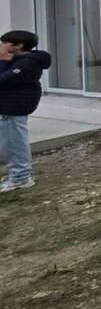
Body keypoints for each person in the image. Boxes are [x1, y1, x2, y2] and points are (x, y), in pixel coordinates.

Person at [0, 30, 52, 192]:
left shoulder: (28, 63)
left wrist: (2, 61)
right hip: (8, 107)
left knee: (14, 143)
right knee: (8, 143)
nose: (1, 45)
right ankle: (17, 175)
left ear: (19, 45)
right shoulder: (16, 60)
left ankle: (21, 177)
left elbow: (4, 80)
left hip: (14, 108)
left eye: (5, 42)